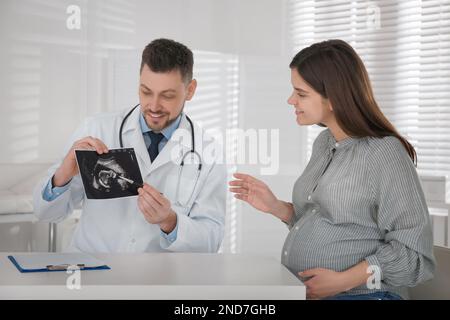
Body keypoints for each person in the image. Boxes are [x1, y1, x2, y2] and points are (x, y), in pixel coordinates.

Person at [229, 39, 435, 300]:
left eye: (301, 93)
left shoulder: (384, 153)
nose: (290, 100)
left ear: (334, 98)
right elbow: (329, 222)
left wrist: (343, 281)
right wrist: (276, 207)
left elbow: (415, 255)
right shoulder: (324, 143)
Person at [33, 38, 226, 253]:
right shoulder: (97, 129)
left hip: (157, 280)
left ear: (190, 90)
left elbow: (212, 239)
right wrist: (63, 175)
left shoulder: (209, 152)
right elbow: (45, 213)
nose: (153, 106)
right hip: (93, 275)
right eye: (146, 91)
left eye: (167, 96)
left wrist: (170, 222)